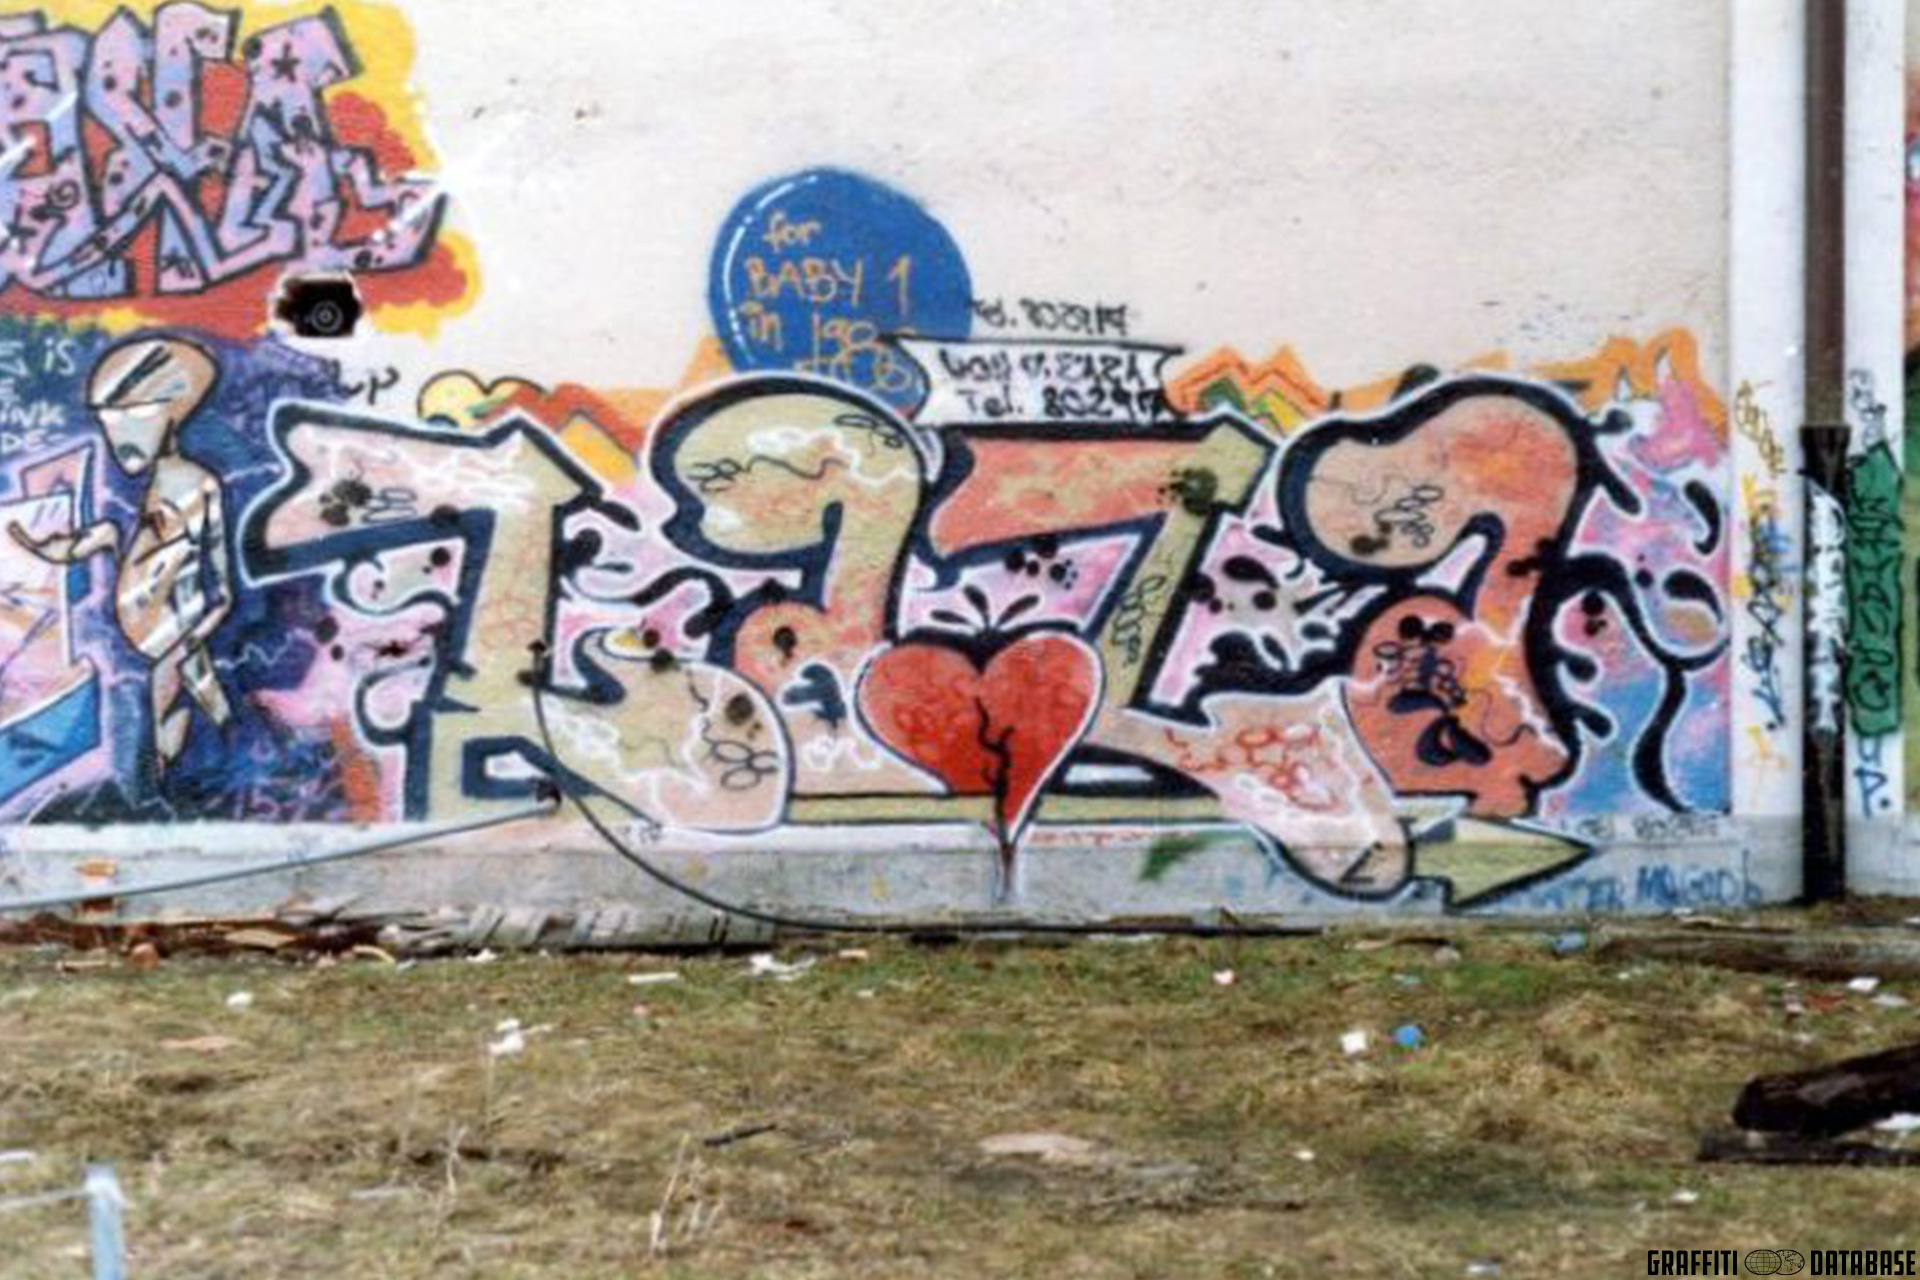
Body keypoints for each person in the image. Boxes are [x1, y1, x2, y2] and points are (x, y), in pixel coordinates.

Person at [9, 336, 234, 771]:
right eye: (109, 421)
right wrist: (49, 547)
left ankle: (187, 786)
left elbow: (222, 591)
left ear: (172, 412)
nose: (118, 435)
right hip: (152, 641)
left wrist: (188, 642)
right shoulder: (137, 493)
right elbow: (111, 539)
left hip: (173, 637)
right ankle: (206, 776)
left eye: (134, 417)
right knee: (207, 705)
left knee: (184, 715)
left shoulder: (197, 486)